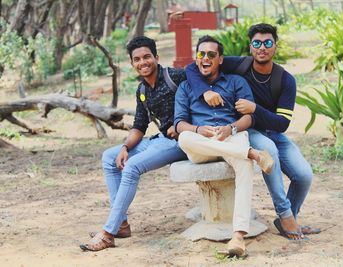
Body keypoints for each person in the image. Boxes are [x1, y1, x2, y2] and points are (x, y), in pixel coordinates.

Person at [185, 24, 319, 240]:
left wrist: (255, 108)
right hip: (249, 129)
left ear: (275, 46)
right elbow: (193, 67)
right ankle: (286, 215)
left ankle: (290, 215)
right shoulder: (240, 65)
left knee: (303, 175)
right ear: (250, 47)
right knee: (270, 152)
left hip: (273, 130)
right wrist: (205, 91)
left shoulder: (285, 80)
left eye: (268, 43)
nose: (262, 48)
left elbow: (282, 123)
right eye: (257, 43)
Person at [80, 36, 188, 251]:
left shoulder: (176, 76)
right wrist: (125, 147)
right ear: (132, 64)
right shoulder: (142, 91)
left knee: (132, 166)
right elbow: (139, 126)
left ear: (156, 57)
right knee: (110, 157)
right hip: (159, 140)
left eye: (147, 57)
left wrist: (183, 125)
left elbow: (200, 97)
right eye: (137, 59)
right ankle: (121, 224)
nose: (143, 62)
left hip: (181, 142)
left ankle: (108, 233)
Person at [174, 35, 274, 257]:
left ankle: (238, 236)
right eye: (201, 54)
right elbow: (179, 124)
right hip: (202, 143)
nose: (205, 58)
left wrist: (231, 129)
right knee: (184, 138)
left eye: (211, 54)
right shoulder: (185, 87)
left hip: (230, 136)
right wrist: (199, 130)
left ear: (220, 59)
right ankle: (251, 153)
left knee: (244, 165)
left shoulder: (236, 82)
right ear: (196, 58)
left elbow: (249, 118)